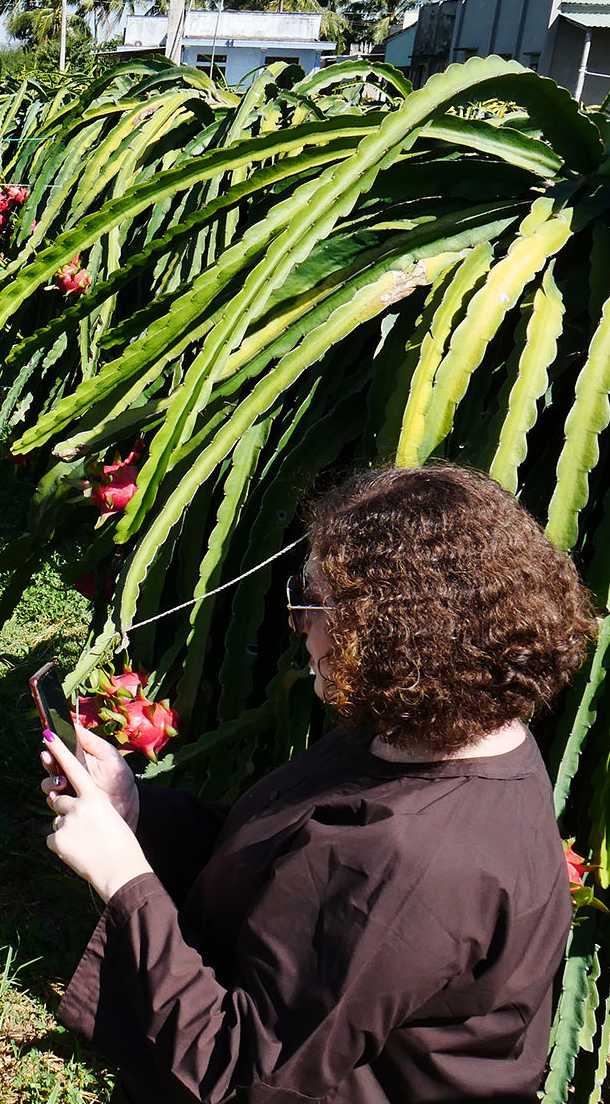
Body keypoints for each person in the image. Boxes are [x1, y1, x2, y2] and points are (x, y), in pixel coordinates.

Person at [39, 463, 596, 1102]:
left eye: (314, 601)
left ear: (397, 636)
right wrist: (136, 811)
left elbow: (238, 1070)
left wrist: (124, 879)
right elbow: (281, 858)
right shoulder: (434, 730)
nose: (299, 621)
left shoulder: (412, 860)